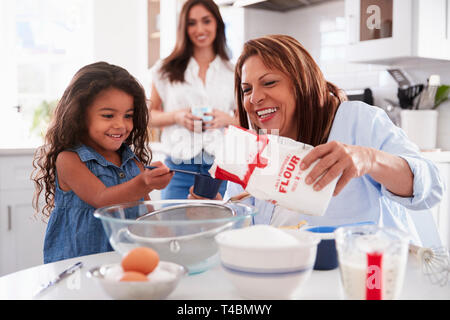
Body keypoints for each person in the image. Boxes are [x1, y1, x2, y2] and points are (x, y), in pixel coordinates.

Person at [190, 34, 444, 245]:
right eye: (247, 89)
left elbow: (431, 188)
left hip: (361, 275)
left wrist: (369, 159)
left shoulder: (357, 120)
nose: (254, 98)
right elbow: (244, 233)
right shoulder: (251, 147)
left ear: (302, 82)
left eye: (269, 82)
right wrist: (220, 214)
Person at [32, 61, 173, 263]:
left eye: (128, 116)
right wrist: (144, 182)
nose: (121, 125)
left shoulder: (133, 162)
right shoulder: (69, 160)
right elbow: (102, 199)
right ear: (79, 116)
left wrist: (194, 207)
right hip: (75, 269)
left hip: (122, 265)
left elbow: (149, 222)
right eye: (108, 115)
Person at [149, 0, 237, 200]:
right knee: (174, 228)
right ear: (184, 28)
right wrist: (177, 116)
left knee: (218, 229)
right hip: (179, 170)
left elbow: (248, 121)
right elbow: (149, 116)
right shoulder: (165, 70)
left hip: (219, 168)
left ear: (217, 24)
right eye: (192, 23)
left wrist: (227, 119)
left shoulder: (233, 72)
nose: (200, 29)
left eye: (206, 21)